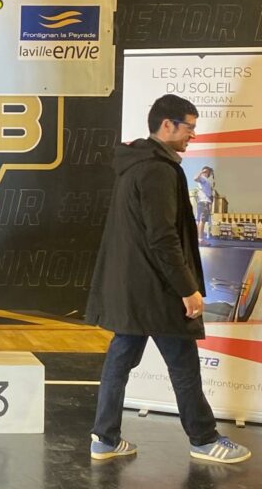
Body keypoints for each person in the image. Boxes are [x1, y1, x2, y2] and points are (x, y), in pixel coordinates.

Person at [86, 94, 250, 464]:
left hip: (133, 288)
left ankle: (105, 439)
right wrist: (187, 289)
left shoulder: (134, 163)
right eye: (189, 127)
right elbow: (162, 237)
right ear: (167, 125)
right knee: (183, 364)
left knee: (120, 359)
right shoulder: (157, 170)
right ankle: (204, 439)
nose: (193, 134)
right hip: (158, 289)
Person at [193, 166, 216, 244]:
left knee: (199, 221)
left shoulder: (205, 180)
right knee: (202, 221)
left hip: (203, 202)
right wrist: (202, 172)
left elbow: (209, 194)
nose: (210, 174)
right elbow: (195, 178)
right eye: (209, 172)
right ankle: (200, 240)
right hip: (204, 203)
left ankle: (198, 239)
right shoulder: (203, 178)